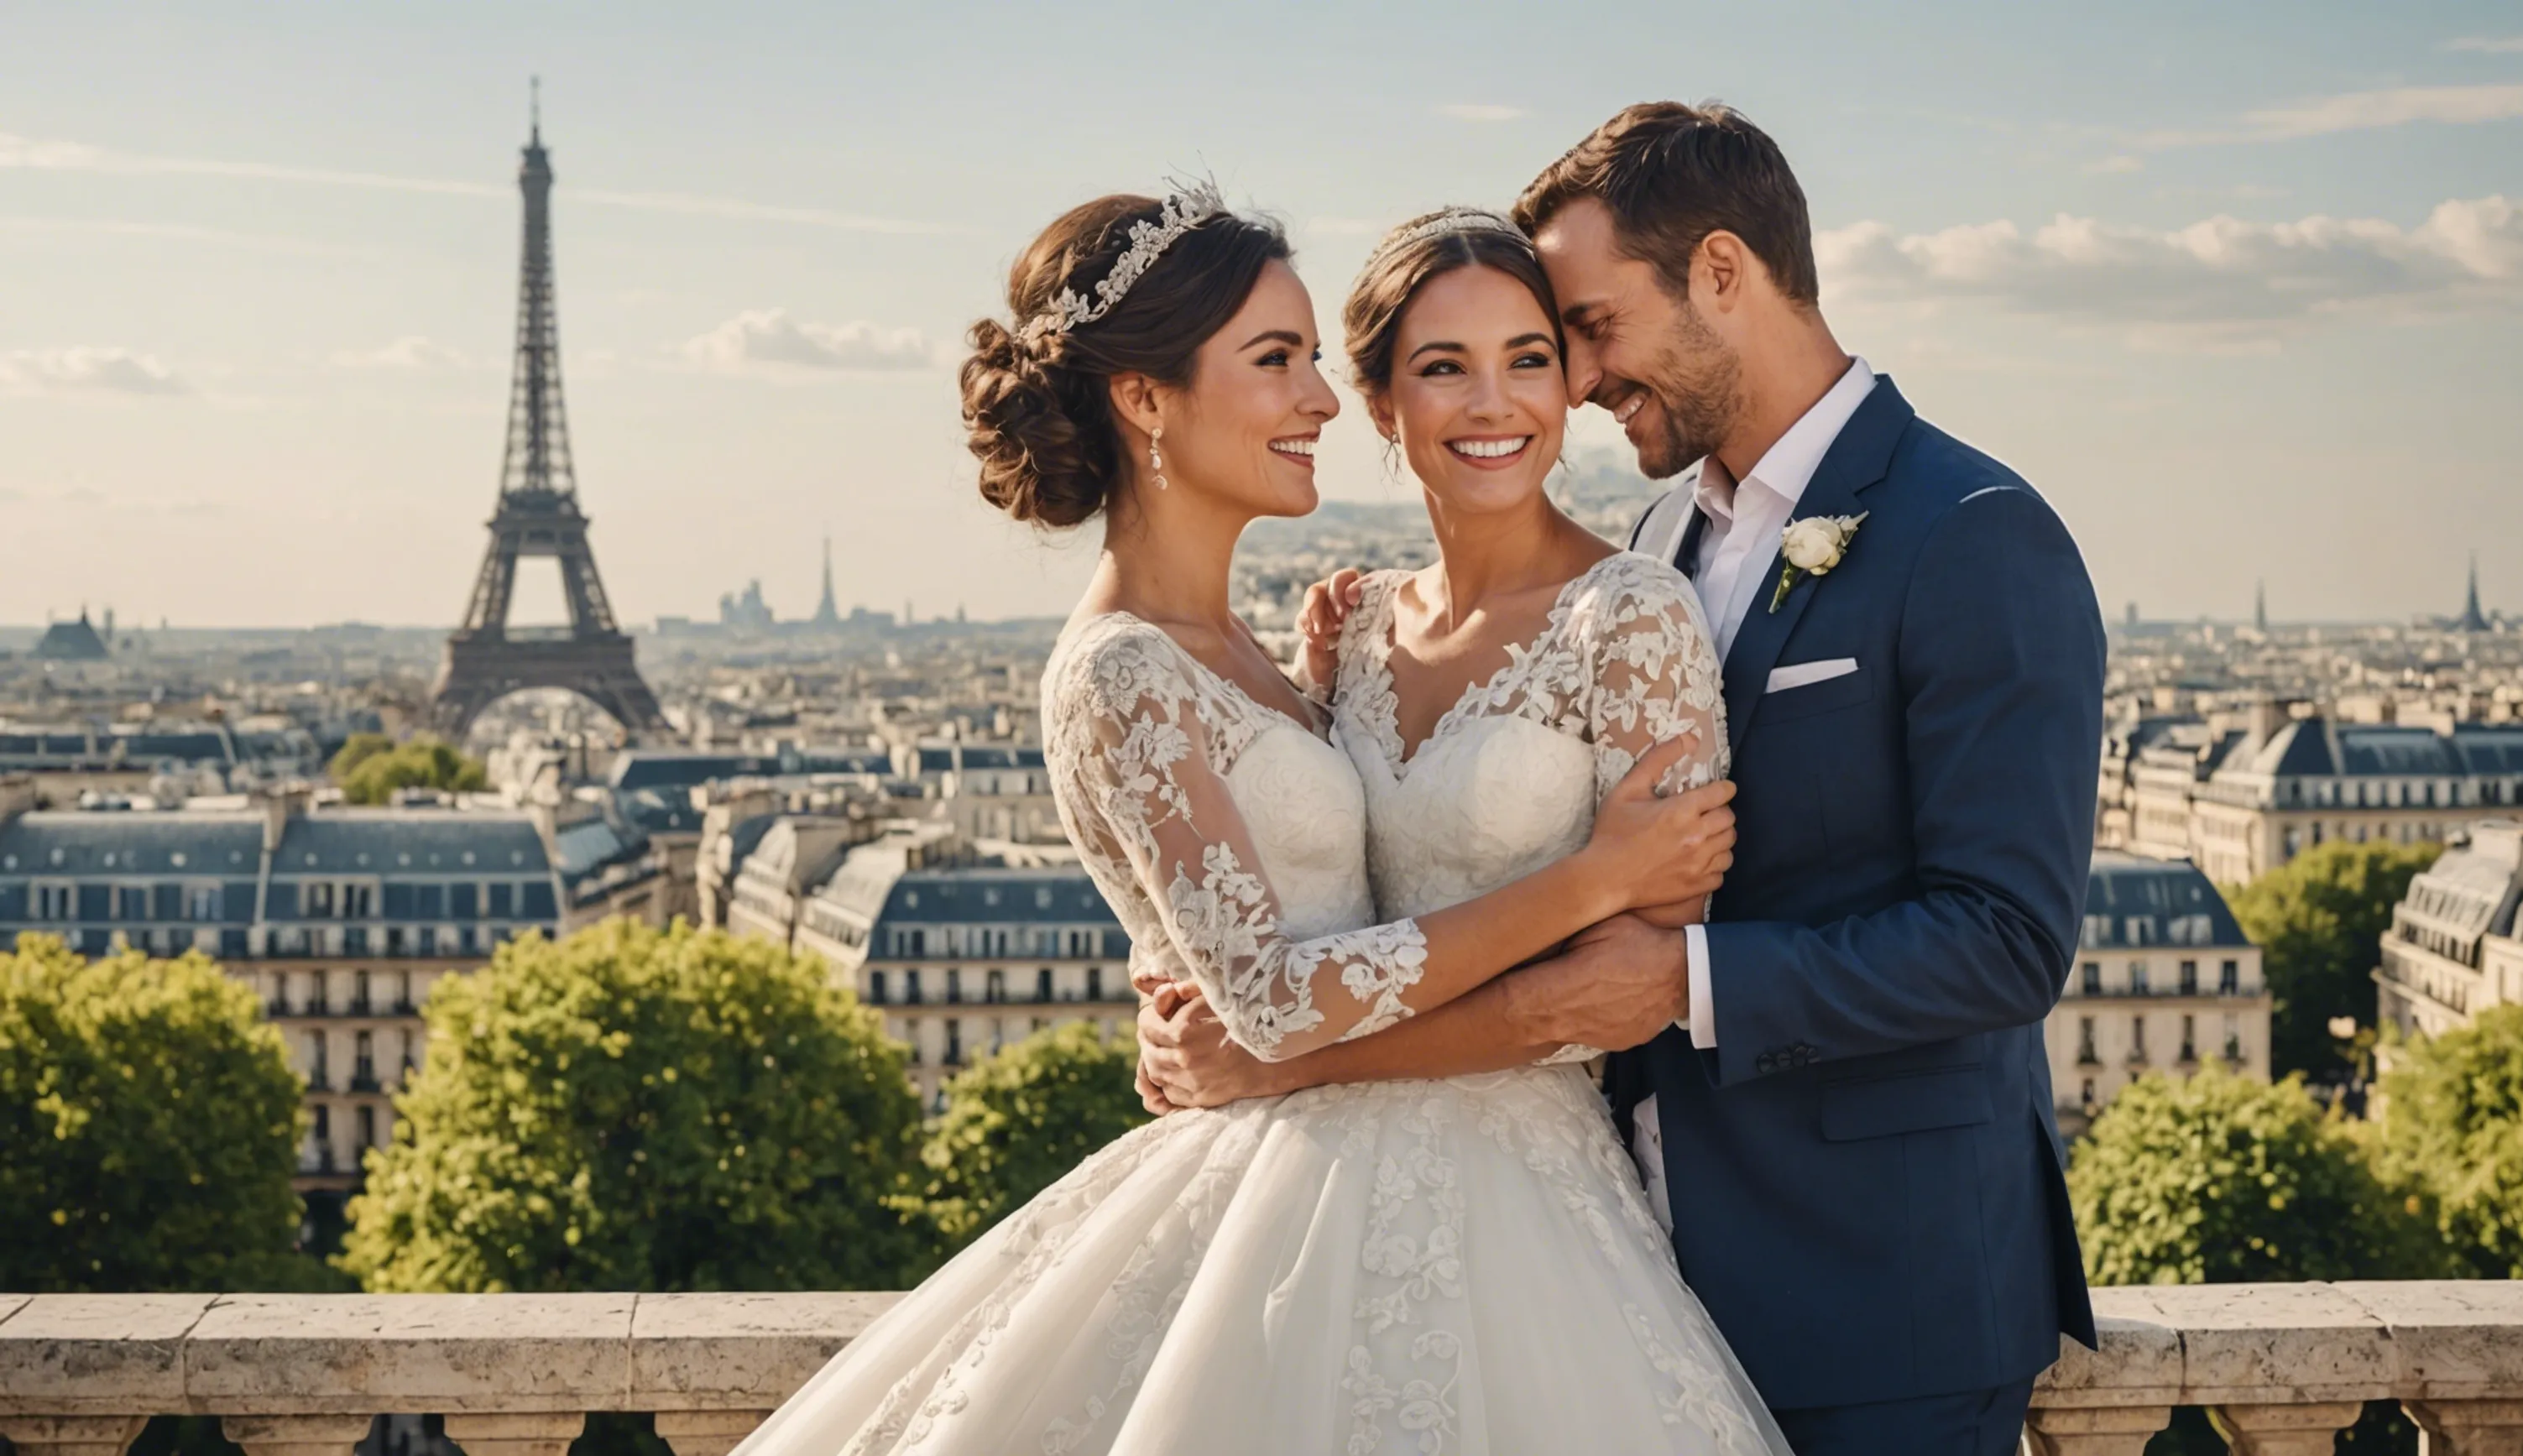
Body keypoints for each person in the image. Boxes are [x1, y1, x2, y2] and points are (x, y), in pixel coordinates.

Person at [729, 187, 1784, 1456]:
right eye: (1284, 362)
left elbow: (1610, 989)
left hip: (1493, 1187)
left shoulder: (1345, 647)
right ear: (1145, 397)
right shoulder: (1161, 661)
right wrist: (1588, 875)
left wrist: (1269, 1038)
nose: (1319, 400)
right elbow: (1270, 981)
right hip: (1344, 1199)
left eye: (1531, 360)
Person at [1157, 103, 2107, 1456]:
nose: (1581, 383)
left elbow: (2008, 939)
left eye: (1585, 329)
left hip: (1887, 1288)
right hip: (1634, 1259)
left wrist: (1683, 981)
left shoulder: (1973, 535)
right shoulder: (1654, 538)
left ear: (1721, 271)